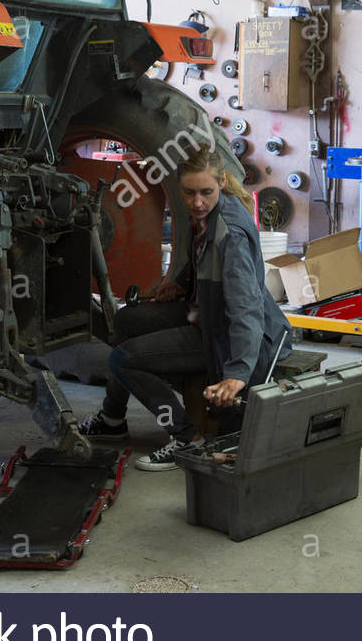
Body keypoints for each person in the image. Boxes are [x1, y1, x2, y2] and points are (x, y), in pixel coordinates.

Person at [76, 147, 292, 470]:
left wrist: (237, 374)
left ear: (221, 182)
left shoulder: (230, 234)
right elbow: (201, 260)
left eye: (206, 192)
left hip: (227, 336)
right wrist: (180, 282)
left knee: (122, 359)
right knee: (125, 320)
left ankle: (187, 437)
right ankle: (112, 419)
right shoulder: (204, 214)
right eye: (189, 193)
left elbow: (246, 310)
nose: (197, 201)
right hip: (204, 311)